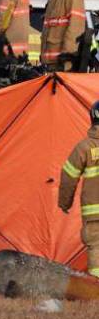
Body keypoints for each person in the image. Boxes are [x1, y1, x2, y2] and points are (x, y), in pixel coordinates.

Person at [59, 100, 99, 278]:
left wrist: (64, 203)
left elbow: (68, 178)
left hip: (94, 214)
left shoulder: (83, 148)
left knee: (96, 248)